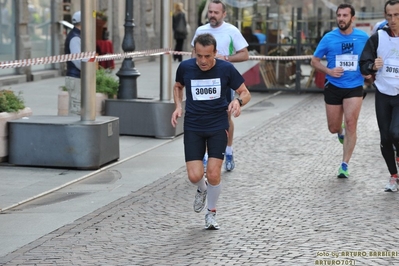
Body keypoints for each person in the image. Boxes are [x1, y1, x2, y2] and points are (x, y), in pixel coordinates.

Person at [171, 33, 251, 229]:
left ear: (215, 53)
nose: (203, 61)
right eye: (199, 56)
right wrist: (178, 106)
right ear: (194, 53)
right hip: (193, 126)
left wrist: (237, 101)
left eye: (207, 56)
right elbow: (178, 86)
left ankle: (211, 213)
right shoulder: (185, 67)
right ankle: (202, 189)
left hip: (217, 125)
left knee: (214, 173)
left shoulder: (226, 69)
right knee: (194, 176)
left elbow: (245, 92)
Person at [310, 3, 370, 178]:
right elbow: (314, 61)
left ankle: (344, 165)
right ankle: (339, 131)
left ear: (353, 18)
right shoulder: (329, 38)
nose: (341, 19)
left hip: (354, 86)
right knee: (333, 127)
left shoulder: (363, 37)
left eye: (345, 15)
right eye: (339, 15)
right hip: (334, 86)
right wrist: (329, 71)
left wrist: (368, 70)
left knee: (352, 123)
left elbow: (370, 57)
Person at [191, 0, 249, 172]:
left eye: (216, 13)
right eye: (210, 12)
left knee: (224, 118)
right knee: (202, 116)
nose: (212, 16)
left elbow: (244, 54)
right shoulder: (200, 31)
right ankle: (205, 154)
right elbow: (194, 54)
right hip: (201, 82)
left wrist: (226, 59)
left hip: (223, 82)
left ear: (224, 14)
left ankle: (228, 151)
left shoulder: (231, 31)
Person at [359, 0, 399, 192]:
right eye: (389, 16)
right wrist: (372, 66)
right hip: (383, 92)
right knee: (385, 138)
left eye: (397, 15)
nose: (393, 20)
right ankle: (393, 176)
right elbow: (364, 63)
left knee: (396, 132)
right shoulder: (378, 37)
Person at [64, 11, 82, 115]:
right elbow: (77, 60)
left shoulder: (76, 35)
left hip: (76, 76)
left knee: (77, 106)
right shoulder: (75, 37)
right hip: (75, 76)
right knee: (76, 109)